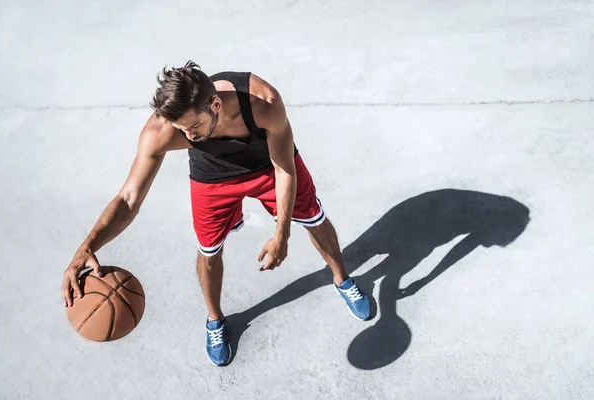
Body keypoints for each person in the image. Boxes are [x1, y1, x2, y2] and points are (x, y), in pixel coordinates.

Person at [61, 61, 372, 366]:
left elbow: (284, 167)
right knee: (208, 252)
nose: (190, 136)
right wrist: (87, 246)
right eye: (181, 130)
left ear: (215, 103)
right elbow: (128, 199)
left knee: (314, 219)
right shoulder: (163, 130)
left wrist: (282, 233)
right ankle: (215, 319)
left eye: (194, 126)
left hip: (268, 165)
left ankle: (342, 278)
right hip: (211, 178)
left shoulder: (263, 102)